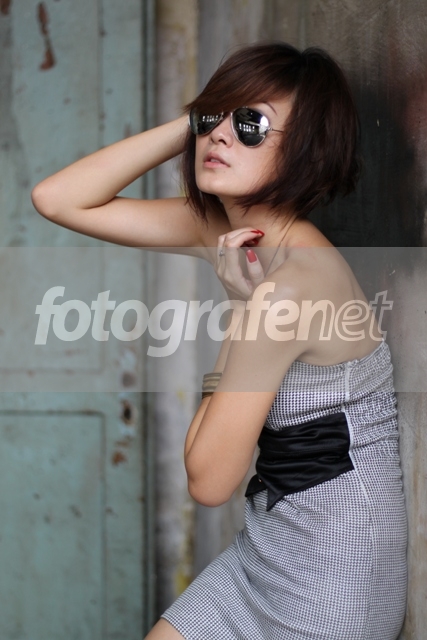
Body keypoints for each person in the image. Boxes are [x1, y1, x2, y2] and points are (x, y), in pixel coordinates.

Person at [32, 42, 407, 640]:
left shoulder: (289, 288)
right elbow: (57, 199)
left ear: (306, 147)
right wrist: (194, 121)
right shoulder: (232, 231)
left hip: (335, 572)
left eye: (251, 123)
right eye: (214, 117)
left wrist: (240, 307)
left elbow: (207, 481)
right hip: (267, 544)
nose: (221, 135)